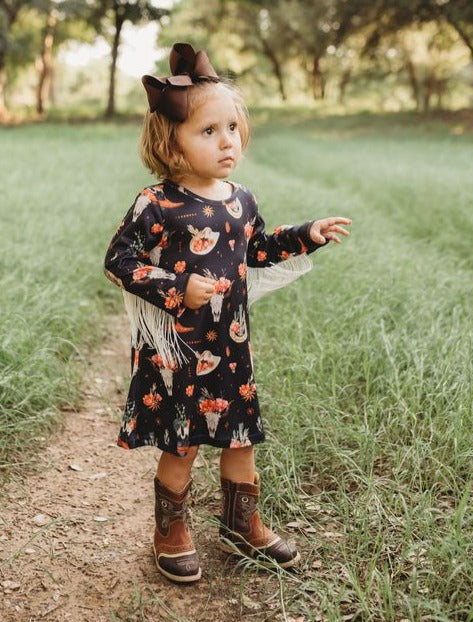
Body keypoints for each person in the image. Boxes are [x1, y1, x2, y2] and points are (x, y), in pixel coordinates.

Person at [104, 42, 351, 584]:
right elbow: (118, 260)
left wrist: (305, 235)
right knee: (183, 441)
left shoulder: (241, 200)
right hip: (178, 349)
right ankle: (171, 531)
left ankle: (243, 524)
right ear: (172, 142)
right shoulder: (157, 203)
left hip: (230, 344)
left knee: (241, 437)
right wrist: (174, 286)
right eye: (208, 131)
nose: (226, 142)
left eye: (232, 129)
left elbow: (255, 250)